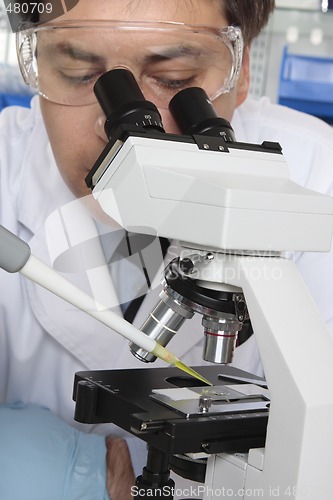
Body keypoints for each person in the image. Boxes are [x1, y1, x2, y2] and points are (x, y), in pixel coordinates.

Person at [1, 0, 333, 497]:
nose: (110, 127)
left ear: (242, 76)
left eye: (176, 79)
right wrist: (64, 472)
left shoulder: (316, 179)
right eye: (76, 70)